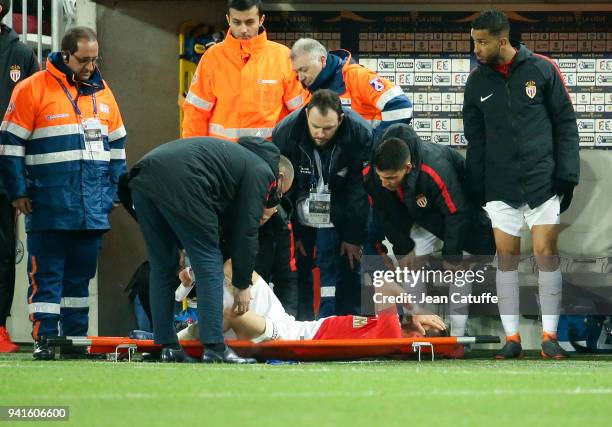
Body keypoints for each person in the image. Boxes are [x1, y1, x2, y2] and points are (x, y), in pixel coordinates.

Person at [0, 26, 127, 360]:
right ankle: (45, 340)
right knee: (47, 278)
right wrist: (17, 192)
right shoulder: (31, 89)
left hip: (91, 209)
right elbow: (10, 146)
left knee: (79, 282)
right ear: (66, 54)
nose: (90, 66)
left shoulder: (103, 92)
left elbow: (117, 148)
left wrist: (110, 193)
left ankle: (74, 341)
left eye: (94, 59)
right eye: (83, 60)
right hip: (48, 204)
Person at [463, 11, 580, 359]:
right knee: (506, 260)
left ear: (503, 40)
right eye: (474, 41)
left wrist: (568, 174)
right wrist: (477, 185)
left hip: (542, 182)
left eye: (482, 42)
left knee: (546, 255)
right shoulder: (475, 82)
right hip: (499, 186)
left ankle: (549, 336)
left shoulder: (542, 69)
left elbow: (565, 123)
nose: (476, 49)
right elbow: (476, 138)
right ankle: (511, 338)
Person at [127, 136, 291, 363]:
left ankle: (167, 346)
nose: (276, 197)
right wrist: (242, 284)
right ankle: (215, 348)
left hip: (141, 178)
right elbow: (246, 232)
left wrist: (183, 247)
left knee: (163, 266)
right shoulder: (262, 171)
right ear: (279, 177)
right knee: (210, 263)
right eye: (280, 191)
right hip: (184, 180)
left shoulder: (231, 160)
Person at [364, 124, 496, 338]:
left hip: (458, 217)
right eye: (381, 177)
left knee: (459, 271)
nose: (384, 183)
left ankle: (459, 338)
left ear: (407, 167)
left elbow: (457, 213)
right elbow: (385, 215)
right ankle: (419, 332)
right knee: (409, 268)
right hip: (421, 221)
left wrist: (451, 257)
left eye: (390, 179)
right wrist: (405, 249)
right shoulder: (374, 175)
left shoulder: (435, 167)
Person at [273, 89, 372, 320]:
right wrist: (291, 234)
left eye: (328, 128)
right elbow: (282, 188)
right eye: (315, 126)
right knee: (299, 268)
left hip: (343, 206)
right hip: (300, 207)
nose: (320, 133)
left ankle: (350, 325)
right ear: (306, 114)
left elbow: (360, 192)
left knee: (350, 264)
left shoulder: (360, 133)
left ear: (341, 119)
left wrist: (353, 237)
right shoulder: (285, 132)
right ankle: (302, 325)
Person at [178, 260, 447, 343]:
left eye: (429, 327)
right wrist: (413, 314)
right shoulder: (385, 327)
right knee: (238, 269)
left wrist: (415, 310)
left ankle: (201, 326)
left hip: (288, 335)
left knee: (236, 310)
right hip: (290, 326)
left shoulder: (391, 333)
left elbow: (380, 283)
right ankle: (192, 288)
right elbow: (378, 283)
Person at [181, 0, 306, 140]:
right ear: (228, 20)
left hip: (270, 156)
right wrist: (193, 155)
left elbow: (301, 113)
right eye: (237, 22)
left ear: (261, 20)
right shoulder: (212, 58)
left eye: (249, 22)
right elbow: (195, 113)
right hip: (222, 156)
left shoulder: (283, 57)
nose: (243, 29)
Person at [0, 0, 39, 353]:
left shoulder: (22, 54)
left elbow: (33, 116)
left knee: (1, 249)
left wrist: (20, 180)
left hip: (3, 170)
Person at [290, 37, 412, 141]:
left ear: (323, 61)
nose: (300, 78)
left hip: (366, 162)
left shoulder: (356, 76)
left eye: (304, 70)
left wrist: (376, 142)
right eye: (297, 71)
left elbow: (401, 106)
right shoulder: (311, 87)